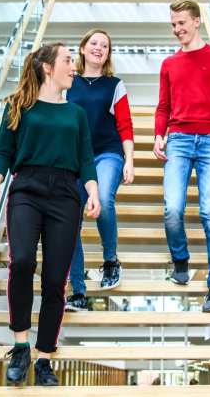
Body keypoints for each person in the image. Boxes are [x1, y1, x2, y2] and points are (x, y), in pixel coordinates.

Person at [0, 43, 101, 386]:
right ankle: (20, 346)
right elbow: (3, 152)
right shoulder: (19, 106)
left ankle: (45, 357)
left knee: (56, 280)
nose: (74, 67)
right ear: (47, 67)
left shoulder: (76, 114)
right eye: (68, 61)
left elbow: (86, 157)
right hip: (26, 189)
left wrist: (93, 190)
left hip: (65, 196)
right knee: (23, 261)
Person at [153, 0, 210, 313]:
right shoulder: (169, 64)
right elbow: (163, 105)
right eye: (173, 24)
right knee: (172, 210)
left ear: (197, 21)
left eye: (181, 23)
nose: (177, 29)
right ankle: (181, 260)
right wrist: (158, 135)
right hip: (177, 140)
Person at [64, 29, 135, 312]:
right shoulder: (68, 82)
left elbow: (126, 126)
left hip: (108, 154)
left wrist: (129, 160)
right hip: (74, 159)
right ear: (82, 48)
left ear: (108, 53)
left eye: (104, 45)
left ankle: (110, 261)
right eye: (93, 43)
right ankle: (78, 292)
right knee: (69, 220)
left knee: (104, 199)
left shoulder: (115, 85)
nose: (98, 48)